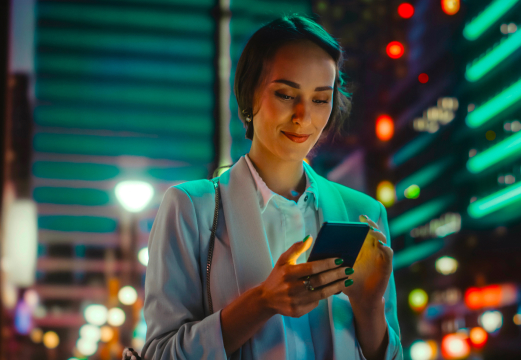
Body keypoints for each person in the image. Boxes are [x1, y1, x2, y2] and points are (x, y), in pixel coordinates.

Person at [137, 14, 402, 360]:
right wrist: (262, 302)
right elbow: (159, 354)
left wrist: (369, 307)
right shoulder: (191, 207)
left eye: (321, 99)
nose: (304, 116)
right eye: (286, 94)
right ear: (249, 95)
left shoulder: (363, 214)